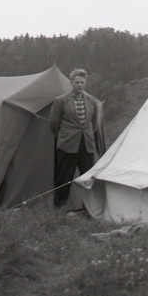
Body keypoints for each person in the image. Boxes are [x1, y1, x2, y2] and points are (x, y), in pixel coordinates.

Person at [50, 68, 105, 208]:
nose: (80, 85)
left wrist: (86, 135)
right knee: (64, 177)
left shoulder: (92, 101)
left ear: (85, 83)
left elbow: (94, 124)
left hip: (86, 145)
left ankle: (90, 209)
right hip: (67, 145)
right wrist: (65, 136)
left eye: (82, 82)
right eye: (77, 82)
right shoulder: (61, 101)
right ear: (71, 83)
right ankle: (59, 209)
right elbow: (54, 124)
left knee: (87, 178)